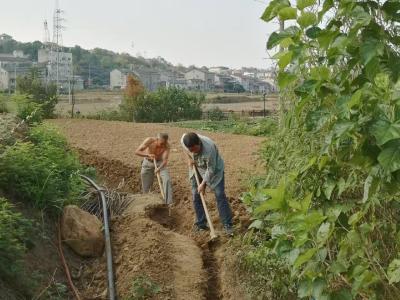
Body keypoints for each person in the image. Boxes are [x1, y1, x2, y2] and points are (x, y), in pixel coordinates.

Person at [181, 132, 233, 236]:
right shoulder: (184, 140)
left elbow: (211, 169)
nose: (193, 152)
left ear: (199, 143)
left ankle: (228, 225)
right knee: (196, 195)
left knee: (219, 195)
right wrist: (189, 158)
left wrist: (203, 183)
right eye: (191, 150)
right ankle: (201, 224)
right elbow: (185, 151)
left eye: (194, 150)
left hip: (214, 171)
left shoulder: (209, 148)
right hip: (197, 167)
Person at [135, 133, 173, 204]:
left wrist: (159, 168)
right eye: (161, 143)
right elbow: (137, 151)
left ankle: (168, 203)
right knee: (146, 184)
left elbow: (165, 160)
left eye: (164, 143)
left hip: (160, 163)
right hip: (147, 162)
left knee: (167, 179)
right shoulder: (149, 141)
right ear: (157, 139)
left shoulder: (167, 146)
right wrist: (148, 155)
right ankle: (147, 201)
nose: (163, 145)